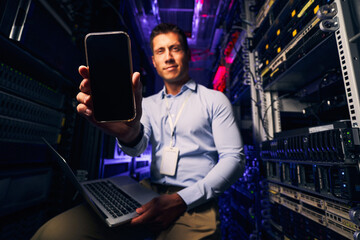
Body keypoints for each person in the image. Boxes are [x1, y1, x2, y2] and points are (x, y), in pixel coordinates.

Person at [31, 23, 244, 240]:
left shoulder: (214, 100)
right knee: (53, 233)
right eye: (160, 51)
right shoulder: (147, 104)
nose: (168, 57)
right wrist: (127, 134)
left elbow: (234, 159)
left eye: (175, 48)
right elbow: (137, 145)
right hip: (147, 194)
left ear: (188, 55)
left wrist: (182, 199)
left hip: (195, 201)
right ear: (153, 61)